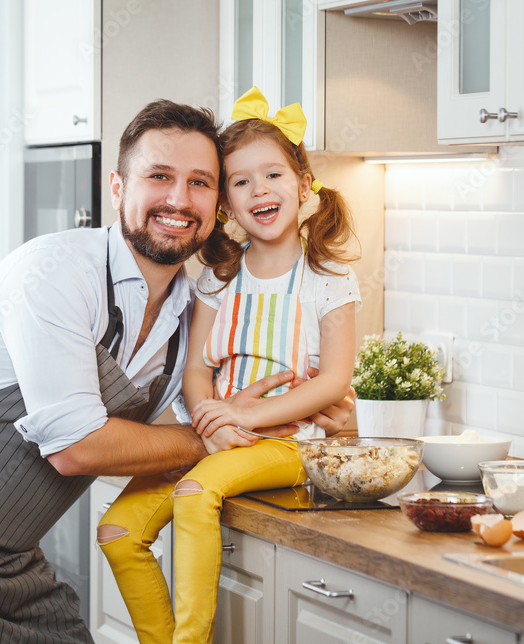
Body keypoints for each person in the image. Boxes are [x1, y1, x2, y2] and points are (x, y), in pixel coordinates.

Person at [0, 99, 354, 644]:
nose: (178, 200)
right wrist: (217, 437)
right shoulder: (55, 271)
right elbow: (78, 447)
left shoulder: (196, 306)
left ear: (217, 206)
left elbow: (191, 413)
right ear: (117, 188)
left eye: (201, 182)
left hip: (4, 556)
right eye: (159, 176)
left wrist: (309, 408)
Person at [98, 87, 361, 644]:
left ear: (304, 184)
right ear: (225, 205)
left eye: (273, 176)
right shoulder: (216, 279)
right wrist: (211, 419)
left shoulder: (331, 280)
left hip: (291, 444)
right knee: (118, 531)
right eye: (241, 181)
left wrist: (249, 423)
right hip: (220, 434)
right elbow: (196, 369)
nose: (259, 190)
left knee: (196, 495)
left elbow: (336, 381)